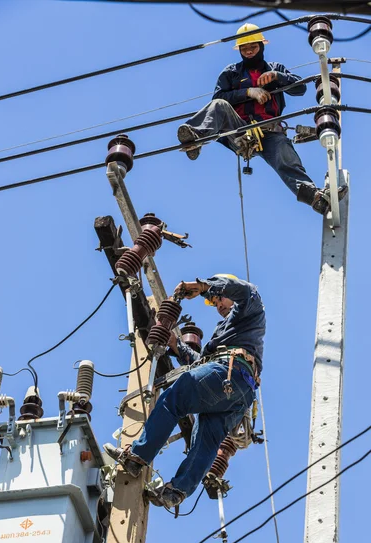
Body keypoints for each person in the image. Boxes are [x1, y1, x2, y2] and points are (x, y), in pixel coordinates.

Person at [104, 274, 266, 510]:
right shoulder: (228, 331)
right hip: (238, 392)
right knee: (206, 440)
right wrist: (175, 345)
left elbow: (246, 290)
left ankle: (136, 457)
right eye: (215, 303)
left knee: (174, 399)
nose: (218, 305)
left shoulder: (250, 308)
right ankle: (176, 491)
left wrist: (202, 287)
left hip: (229, 373)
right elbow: (202, 364)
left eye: (220, 299)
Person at [177, 23, 346, 216]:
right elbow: (218, 99)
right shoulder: (231, 73)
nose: (249, 52)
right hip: (239, 130)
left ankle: (315, 199)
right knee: (219, 106)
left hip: (269, 132)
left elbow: (300, 89)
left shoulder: (275, 69)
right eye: (244, 48)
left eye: (253, 47)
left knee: (286, 157)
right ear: (239, 50)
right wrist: (248, 92)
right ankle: (195, 137)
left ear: (261, 46)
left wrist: (278, 77)